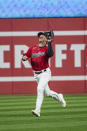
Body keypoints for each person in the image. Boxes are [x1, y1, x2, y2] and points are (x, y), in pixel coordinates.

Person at [22, 31, 66, 117]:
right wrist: (24, 58)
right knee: (47, 93)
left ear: (46, 39)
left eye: (43, 36)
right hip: (36, 74)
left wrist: (49, 43)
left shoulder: (46, 48)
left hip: (45, 73)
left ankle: (37, 110)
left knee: (39, 89)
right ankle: (59, 97)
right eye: (40, 36)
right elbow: (25, 56)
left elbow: (50, 54)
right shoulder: (32, 48)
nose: (40, 37)